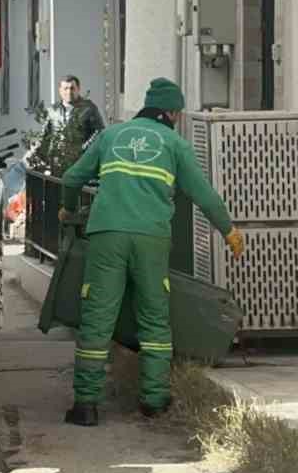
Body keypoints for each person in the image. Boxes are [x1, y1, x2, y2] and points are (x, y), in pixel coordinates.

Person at [57, 79, 243, 427]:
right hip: (151, 239)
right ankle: (154, 401)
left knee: (97, 317)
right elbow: (205, 196)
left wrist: (68, 212)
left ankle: (86, 405)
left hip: (107, 235)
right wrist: (229, 231)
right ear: (173, 112)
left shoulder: (111, 136)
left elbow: (70, 178)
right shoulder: (175, 144)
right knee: (154, 318)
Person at [49, 75, 105, 149]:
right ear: (60, 90)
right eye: (65, 88)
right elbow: (45, 135)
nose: (69, 92)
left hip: (82, 157)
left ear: (78, 89)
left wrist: (83, 148)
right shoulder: (53, 110)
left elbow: (99, 132)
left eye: (72, 88)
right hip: (58, 157)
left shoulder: (89, 108)